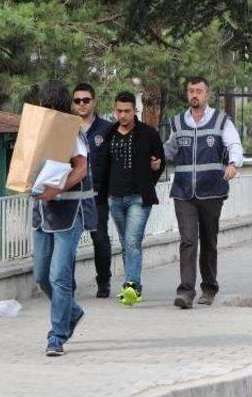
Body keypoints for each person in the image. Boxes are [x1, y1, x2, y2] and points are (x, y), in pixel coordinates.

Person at [163, 76, 244, 309]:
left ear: (207, 95)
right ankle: (185, 292)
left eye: (199, 91)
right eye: (191, 91)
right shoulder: (178, 122)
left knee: (209, 241)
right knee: (188, 241)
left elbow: (234, 145)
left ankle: (208, 288)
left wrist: (233, 163)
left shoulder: (221, 121)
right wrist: (156, 158)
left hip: (211, 192)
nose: (194, 95)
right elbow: (170, 149)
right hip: (183, 192)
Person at [31, 80, 97, 356]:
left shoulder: (72, 132)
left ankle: (56, 336)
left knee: (60, 275)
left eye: (51, 107)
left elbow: (81, 169)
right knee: (41, 276)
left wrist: (57, 188)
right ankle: (73, 311)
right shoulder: (36, 131)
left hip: (69, 212)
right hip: (43, 211)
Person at [97, 91, 165, 306]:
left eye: (127, 111)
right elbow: (103, 165)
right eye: (119, 111)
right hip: (115, 198)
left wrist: (151, 176)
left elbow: (159, 161)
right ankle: (132, 285)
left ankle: (132, 286)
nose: (123, 115)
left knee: (133, 241)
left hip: (138, 198)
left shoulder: (148, 133)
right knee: (126, 243)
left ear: (135, 111)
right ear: (114, 110)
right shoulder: (109, 134)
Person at [72, 83, 113, 298]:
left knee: (100, 238)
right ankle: (68, 284)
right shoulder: (67, 128)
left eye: (86, 100)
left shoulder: (107, 129)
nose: (81, 104)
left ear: (94, 102)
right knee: (68, 241)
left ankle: (104, 282)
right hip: (71, 195)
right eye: (77, 100)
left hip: (97, 195)